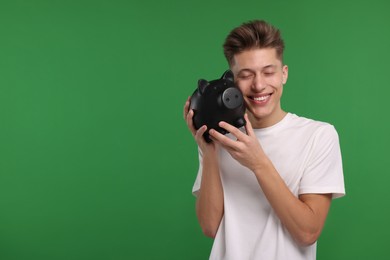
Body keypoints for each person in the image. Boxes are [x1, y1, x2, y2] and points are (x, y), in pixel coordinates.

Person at [183, 20, 345, 260]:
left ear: (284, 74)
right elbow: (209, 227)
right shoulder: (219, 139)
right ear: (232, 82)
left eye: (268, 72)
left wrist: (258, 163)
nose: (259, 85)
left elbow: (308, 232)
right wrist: (209, 153)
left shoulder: (319, 136)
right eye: (246, 76)